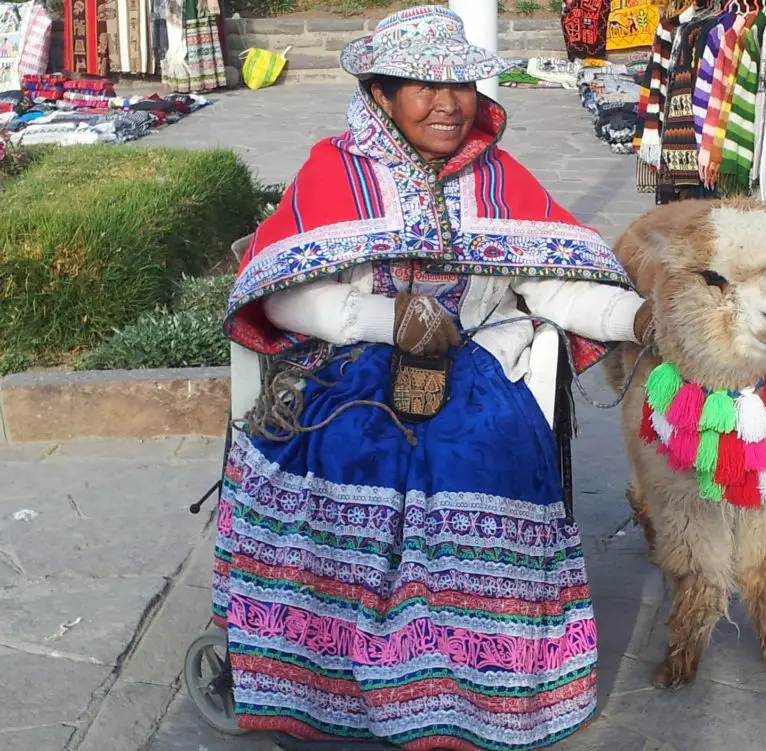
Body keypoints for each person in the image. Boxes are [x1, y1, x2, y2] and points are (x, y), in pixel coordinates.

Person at [213, 6, 654, 750]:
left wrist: (639, 317)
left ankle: (470, 689)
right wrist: (386, 320)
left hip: (477, 366)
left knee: (486, 453)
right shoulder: (333, 170)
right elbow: (283, 290)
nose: (447, 102)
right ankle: (334, 678)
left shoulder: (499, 179)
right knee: (350, 450)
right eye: (422, 85)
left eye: (459, 84)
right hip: (353, 366)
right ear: (382, 94)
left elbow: (550, 288)